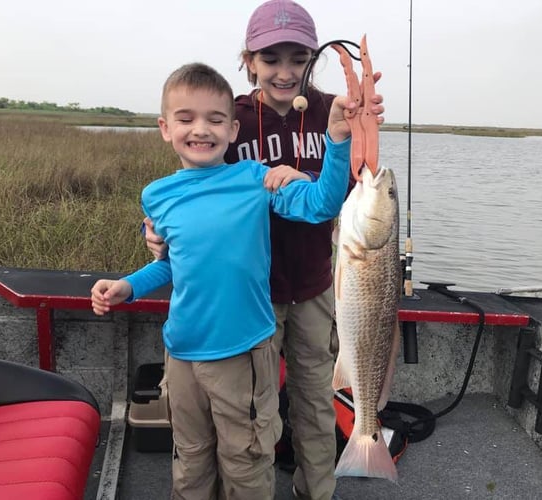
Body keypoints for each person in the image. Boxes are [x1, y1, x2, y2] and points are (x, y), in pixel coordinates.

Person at [143, 2, 385, 499]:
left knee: (316, 398)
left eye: (297, 58)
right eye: (270, 59)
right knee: (258, 405)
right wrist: (152, 231)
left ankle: (316, 489)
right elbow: (194, 190)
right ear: (248, 60)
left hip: (318, 283)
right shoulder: (229, 117)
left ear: (310, 61)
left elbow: (356, 192)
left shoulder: (330, 110)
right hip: (254, 294)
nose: (284, 71)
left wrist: (356, 131)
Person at [91, 61, 358, 500]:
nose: (201, 130)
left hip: (243, 353)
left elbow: (321, 204)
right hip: (181, 355)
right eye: (186, 119)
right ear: (164, 127)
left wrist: (337, 140)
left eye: (215, 120)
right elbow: (177, 263)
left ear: (233, 131)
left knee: (246, 460)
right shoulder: (157, 194)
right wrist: (129, 285)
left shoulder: (255, 179)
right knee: (190, 457)